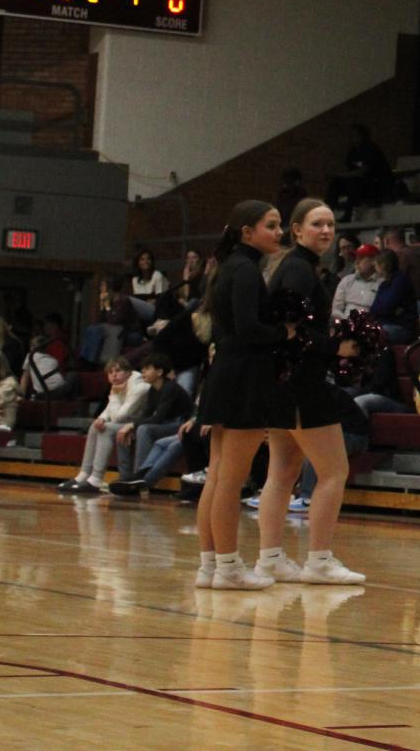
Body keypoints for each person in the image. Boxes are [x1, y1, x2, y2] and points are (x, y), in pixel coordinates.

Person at [253, 198, 365, 586]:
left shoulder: (296, 267)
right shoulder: (299, 270)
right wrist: (339, 347)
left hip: (282, 382)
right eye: (317, 224)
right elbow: (292, 330)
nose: (326, 231)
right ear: (296, 230)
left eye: (331, 225)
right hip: (301, 382)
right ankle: (319, 559)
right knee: (334, 471)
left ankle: (270, 557)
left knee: (282, 473)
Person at [190, 201, 290, 589]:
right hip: (245, 378)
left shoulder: (227, 266)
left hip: (224, 375)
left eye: (280, 225)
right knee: (230, 479)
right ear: (247, 232)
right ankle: (229, 568)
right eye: (271, 225)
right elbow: (249, 328)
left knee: (218, 477)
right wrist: (286, 333)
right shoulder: (246, 270)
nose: (278, 232)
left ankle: (210, 566)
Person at [105, 354, 193, 496]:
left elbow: (158, 418)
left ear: (159, 372)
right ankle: (125, 477)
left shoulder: (170, 388)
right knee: (127, 430)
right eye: (142, 369)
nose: (143, 372)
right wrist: (131, 427)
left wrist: (133, 425)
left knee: (143, 429)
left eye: (147, 369)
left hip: (182, 424)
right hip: (167, 424)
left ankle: (137, 476)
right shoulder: (153, 389)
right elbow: (146, 415)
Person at [326, 124, 393, 212]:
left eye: (356, 135)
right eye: (351, 136)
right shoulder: (353, 152)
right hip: (360, 184)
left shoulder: (371, 149)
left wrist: (339, 174)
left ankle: (348, 213)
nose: (353, 138)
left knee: (353, 183)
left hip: (376, 184)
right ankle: (329, 210)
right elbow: (350, 169)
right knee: (336, 183)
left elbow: (361, 172)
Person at [331, 245, 379, 318]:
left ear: (373, 261)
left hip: (369, 324)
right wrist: (347, 321)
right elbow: (336, 310)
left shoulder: (382, 283)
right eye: (356, 258)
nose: (357, 262)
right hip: (345, 323)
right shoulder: (347, 280)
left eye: (361, 258)